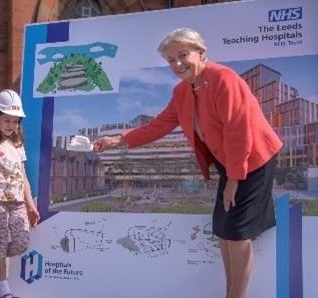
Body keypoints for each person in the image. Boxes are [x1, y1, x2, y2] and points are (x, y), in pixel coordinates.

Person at [93, 28, 282, 298]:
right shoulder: (182, 91)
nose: (177, 64)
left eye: (183, 55)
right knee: (224, 231)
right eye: (171, 60)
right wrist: (118, 140)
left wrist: (234, 180)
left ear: (201, 53)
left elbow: (238, 130)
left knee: (238, 233)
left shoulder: (223, 78)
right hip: (229, 163)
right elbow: (158, 126)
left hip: (253, 158)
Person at [0, 89, 40, 298]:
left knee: (21, 243)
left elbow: (24, 179)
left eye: (15, 121)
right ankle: (4, 291)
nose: (11, 126)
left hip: (19, 203)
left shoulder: (18, 145)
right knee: (2, 246)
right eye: (7, 120)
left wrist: (30, 206)